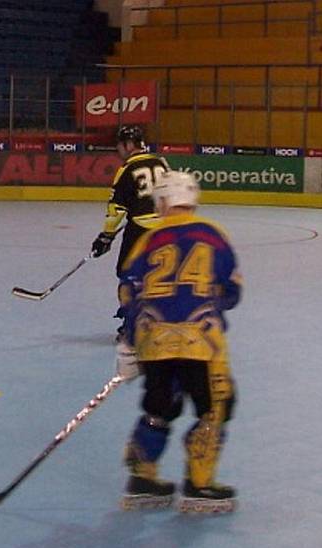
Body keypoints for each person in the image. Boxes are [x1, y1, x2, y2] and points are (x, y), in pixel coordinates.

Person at [115, 170, 242, 514]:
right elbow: (232, 291)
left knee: (160, 406)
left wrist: (128, 343)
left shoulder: (147, 238)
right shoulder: (214, 235)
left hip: (153, 341)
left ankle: (143, 479)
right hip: (201, 342)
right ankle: (199, 485)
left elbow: (129, 291)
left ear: (163, 201)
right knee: (215, 407)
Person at [91, 125, 169, 336]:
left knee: (128, 276)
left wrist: (106, 236)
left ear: (128, 144)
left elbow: (116, 209)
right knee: (160, 275)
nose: (118, 149)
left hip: (140, 230)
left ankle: (132, 324)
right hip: (165, 230)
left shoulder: (126, 170)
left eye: (119, 145)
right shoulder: (161, 163)